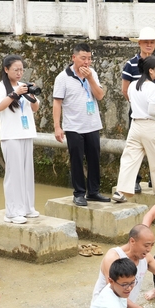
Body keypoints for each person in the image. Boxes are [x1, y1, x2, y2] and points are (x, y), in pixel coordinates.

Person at [113, 56, 155, 203]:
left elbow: (139, 105)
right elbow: (150, 111)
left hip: (135, 126)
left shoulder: (133, 85)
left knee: (129, 159)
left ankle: (120, 191)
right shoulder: (154, 87)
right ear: (150, 70)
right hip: (150, 127)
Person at [52, 43, 109, 207]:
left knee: (94, 158)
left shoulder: (93, 74)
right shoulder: (62, 78)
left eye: (89, 58)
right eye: (83, 58)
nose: (87, 62)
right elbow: (57, 103)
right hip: (73, 126)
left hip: (92, 124)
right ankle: (78, 193)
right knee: (76, 159)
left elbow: (100, 96)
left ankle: (93, 191)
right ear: (74, 58)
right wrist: (57, 126)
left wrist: (90, 78)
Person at [0, 55, 40, 224]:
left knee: (27, 172)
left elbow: (35, 108)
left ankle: (27, 208)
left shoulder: (24, 86)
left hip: (26, 133)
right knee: (14, 174)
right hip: (11, 135)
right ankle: (12, 212)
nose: (20, 73)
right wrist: (15, 93)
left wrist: (31, 96)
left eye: (22, 69)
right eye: (16, 70)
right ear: (6, 70)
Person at [121, 27, 155, 194]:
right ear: (140, 43)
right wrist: (139, 105)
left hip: (153, 110)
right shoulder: (130, 64)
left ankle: (153, 180)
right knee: (135, 148)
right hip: (139, 112)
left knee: (154, 147)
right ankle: (135, 181)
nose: (149, 45)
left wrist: (152, 104)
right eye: (146, 42)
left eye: (152, 42)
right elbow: (125, 90)